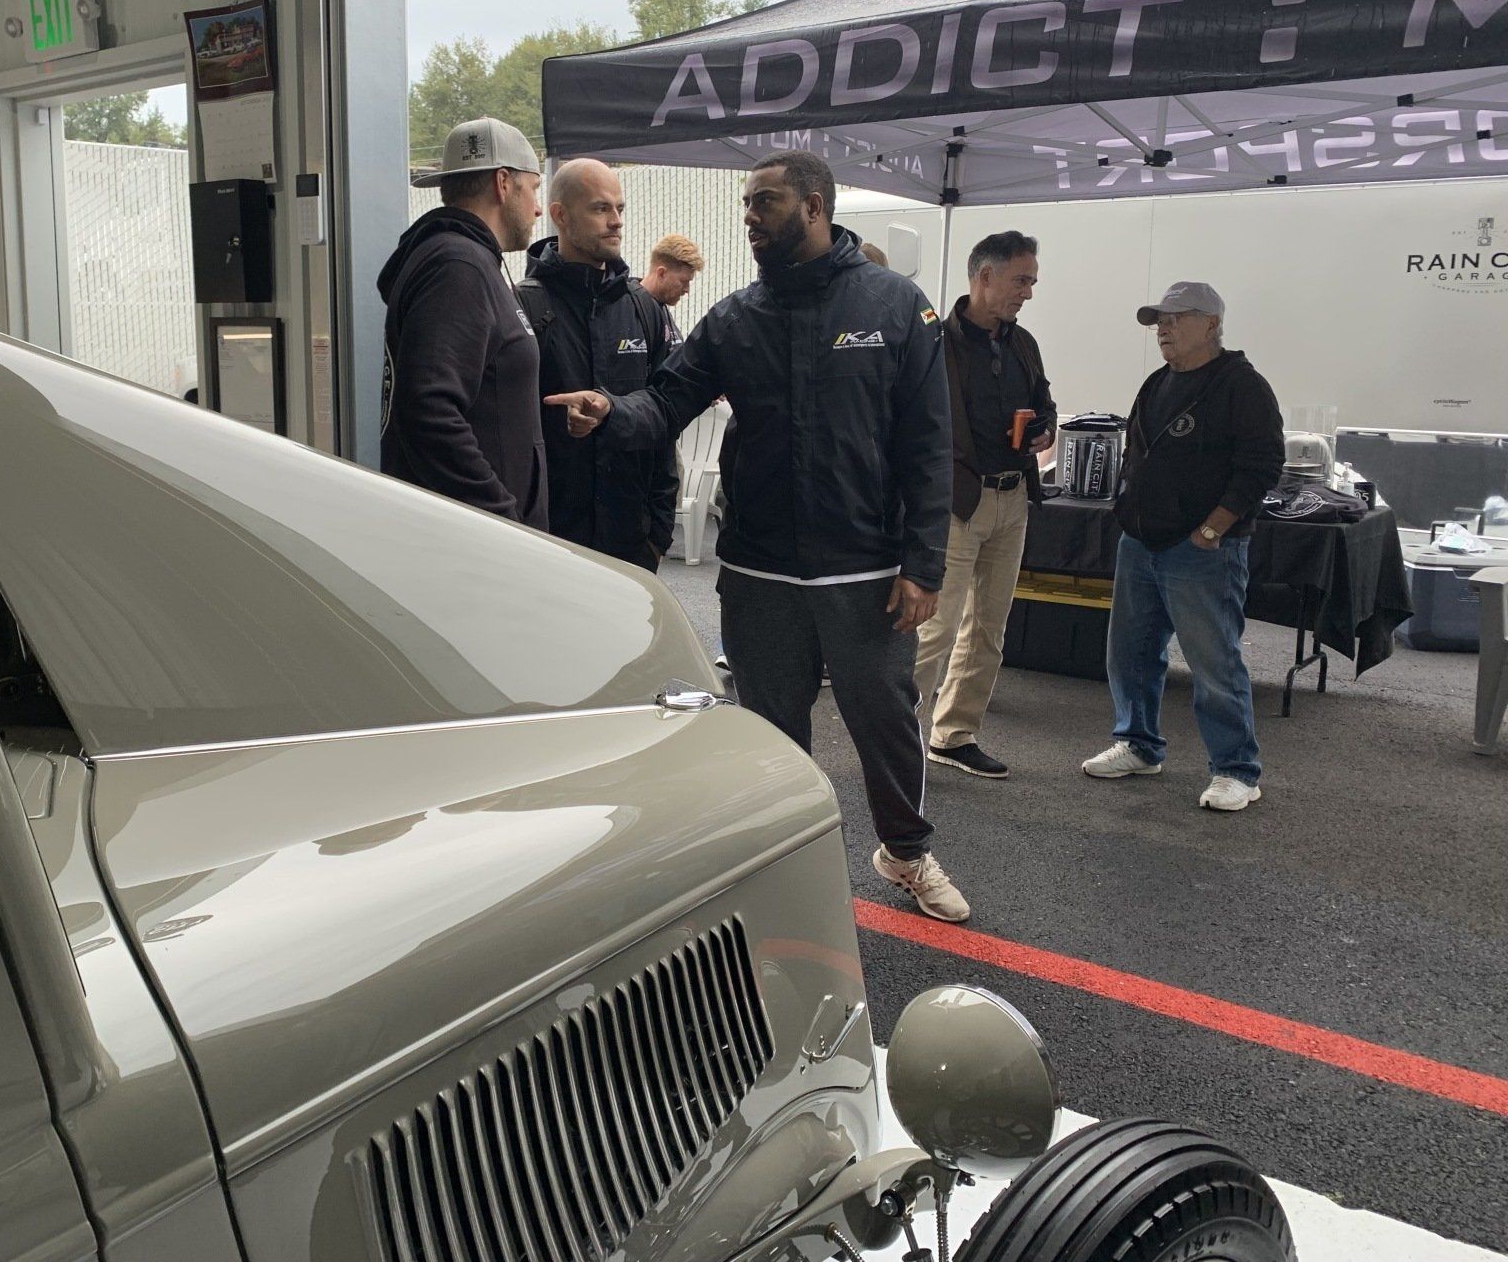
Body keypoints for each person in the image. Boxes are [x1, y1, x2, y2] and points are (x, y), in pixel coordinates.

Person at [547, 150, 969, 922]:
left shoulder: (895, 306)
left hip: (865, 570)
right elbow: (666, 399)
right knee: (774, 740)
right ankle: (785, 866)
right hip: (761, 572)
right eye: (747, 204)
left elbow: (928, 445)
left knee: (884, 722)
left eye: (763, 203)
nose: (749, 217)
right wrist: (612, 411)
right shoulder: (736, 318)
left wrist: (924, 564)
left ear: (813, 207)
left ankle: (905, 853)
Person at [1082, 282, 1284, 811]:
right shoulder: (1157, 382)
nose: (1162, 329)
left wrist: (1212, 529)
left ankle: (1237, 769)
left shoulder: (1243, 386)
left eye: (1175, 318)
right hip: (1142, 543)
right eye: (1158, 320)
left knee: (1214, 662)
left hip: (1203, 550)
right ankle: (1139, 745)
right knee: (1130, 652)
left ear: (1212, 323)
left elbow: (1260, 467)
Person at [913, 232, 1057, 779]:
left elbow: (1043, 402)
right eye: (1021, 281)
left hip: (1012, 496)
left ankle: (954, 734)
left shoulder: (1024, 345)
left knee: (988, 630)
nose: (1028, 293)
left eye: (1032, 282)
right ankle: (897, 736)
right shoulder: (933, 342)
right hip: (955, 503)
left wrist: (1043, 429)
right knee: (935, 628)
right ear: (985, 277)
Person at [379, 117, 547, 527]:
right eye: (534, 189)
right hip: (477, 546)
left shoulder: (464, 260)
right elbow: (428, 410)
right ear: (503, 183)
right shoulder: (458, 266)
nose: (538, 207)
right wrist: (499, 517)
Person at [521, 159, 677, 569]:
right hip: (549, 541)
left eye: (619, 209)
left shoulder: (645, 309)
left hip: (633, 543)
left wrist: (658, 533)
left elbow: (666, 417)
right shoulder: (522, 305)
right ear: (560, 215)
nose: (615, 222)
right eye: (599, 208)